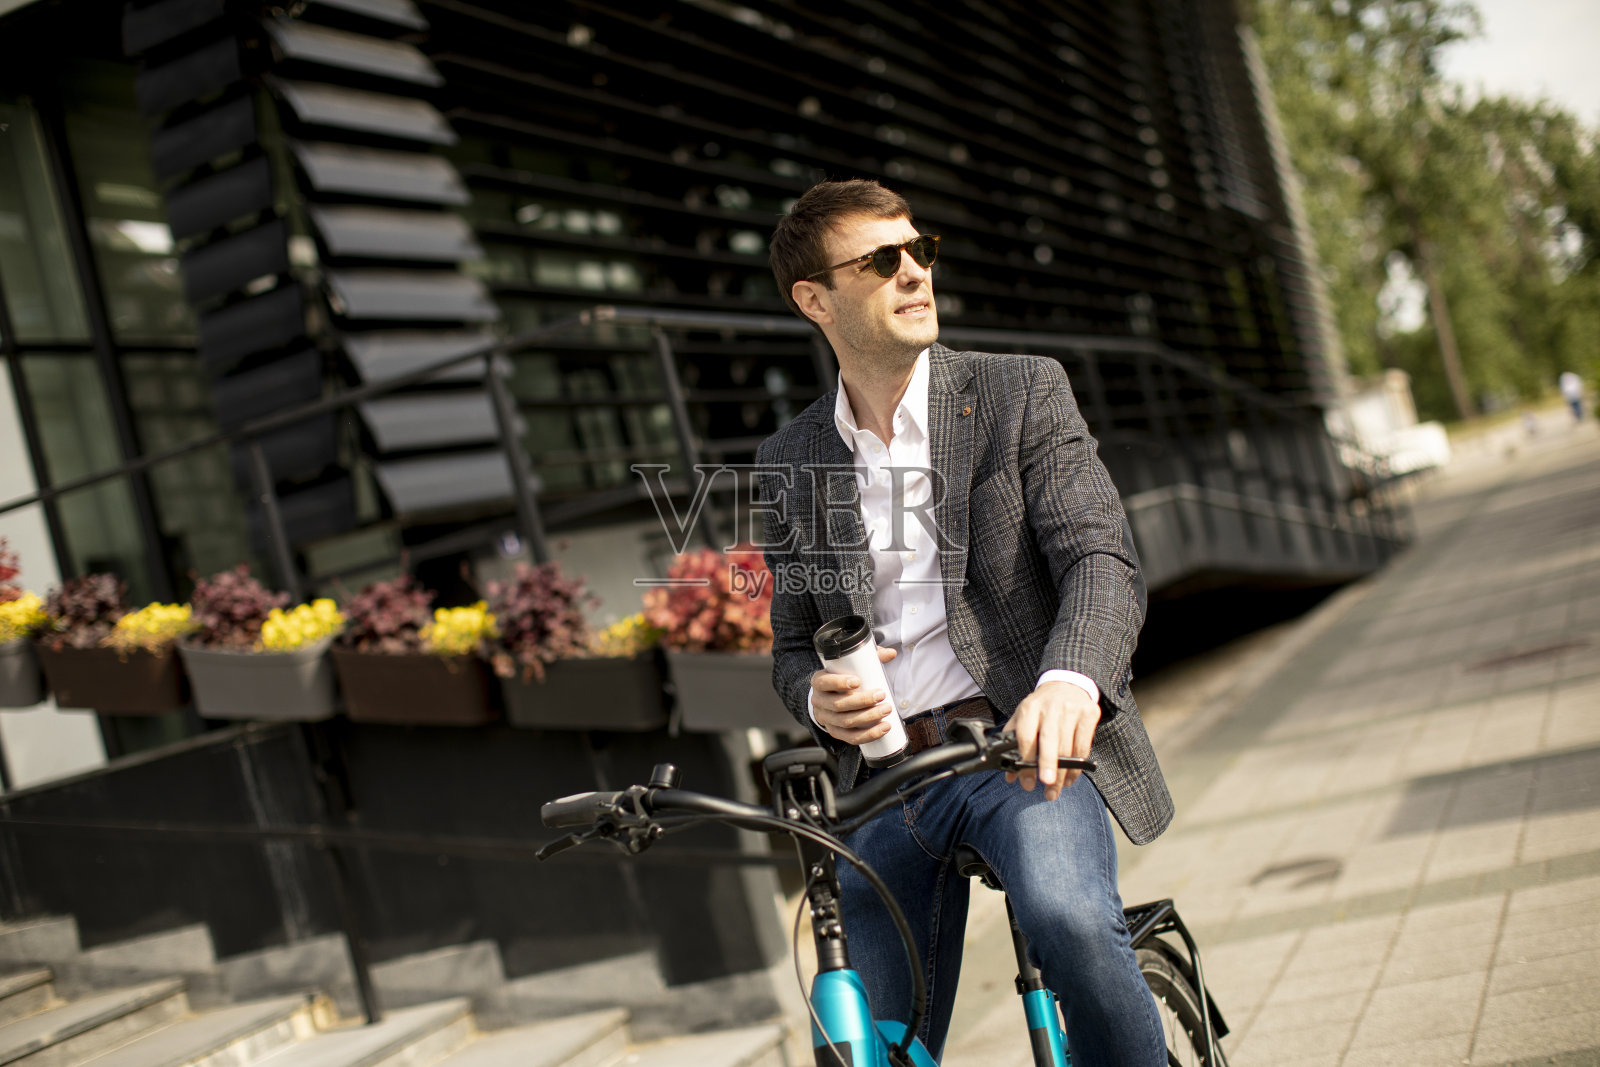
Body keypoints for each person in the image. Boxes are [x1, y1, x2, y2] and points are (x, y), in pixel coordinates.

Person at [755, 179, 1172, 1066]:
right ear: (813, 299)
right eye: (881, 260)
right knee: (856, 1044)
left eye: (920, 251)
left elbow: (1102, 560)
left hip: (1015, 756)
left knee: (1065, 917)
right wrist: (817, 701)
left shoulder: (1021, 392)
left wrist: (1069, 681)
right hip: (883, 782)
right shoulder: (789, 458)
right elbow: (792, 647)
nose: (914, 273)